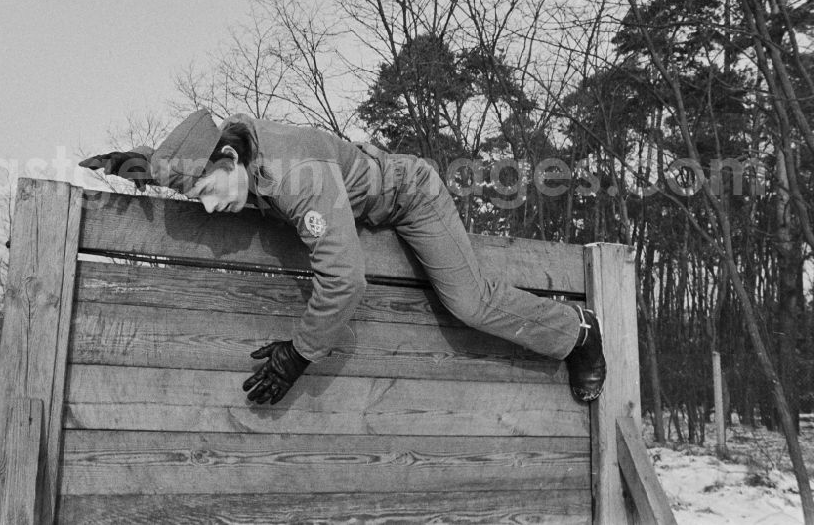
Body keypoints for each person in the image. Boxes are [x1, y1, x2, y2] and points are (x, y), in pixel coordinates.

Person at [81, 110, 606, 406]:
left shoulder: (294, 177)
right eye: (199, 197)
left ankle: (575, 330)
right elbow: (182, 166)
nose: (212, 207)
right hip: (353, 202)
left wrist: (298, 354)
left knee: (468, 302)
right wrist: (132, 163)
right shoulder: (228, 155)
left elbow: (345, 282)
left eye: (211, 190)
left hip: (409, 195)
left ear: (230, 157)